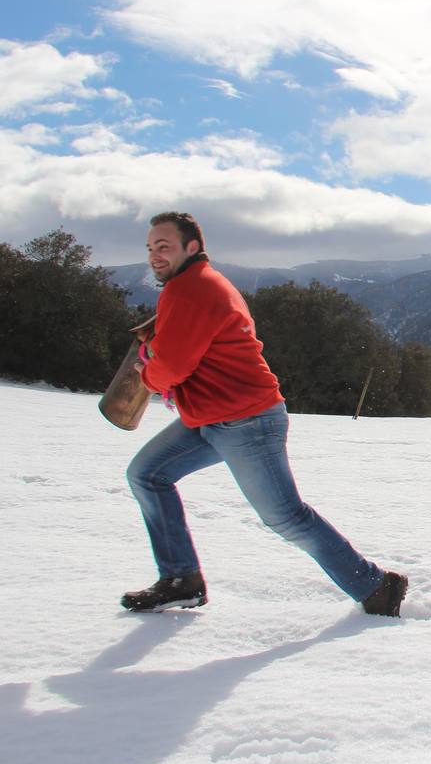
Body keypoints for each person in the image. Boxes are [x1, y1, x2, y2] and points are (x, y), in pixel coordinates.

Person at [120, 212, 407, 616]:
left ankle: (377, 587)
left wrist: (147, 373)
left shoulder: (192, 290)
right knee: (147, 474)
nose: (154, 255)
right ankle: (181, 580)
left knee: (286, 517)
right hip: (209, 417)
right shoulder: (188, 286)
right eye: (150, 248)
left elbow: (173, 367)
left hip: (246, 422)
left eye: (163, 246)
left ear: (192, 247)